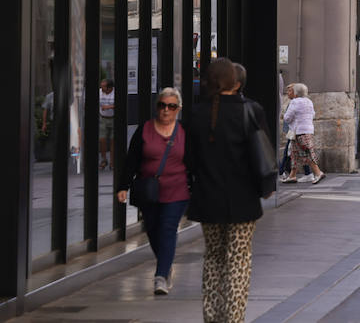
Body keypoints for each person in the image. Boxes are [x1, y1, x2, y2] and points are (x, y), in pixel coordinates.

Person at [185, 57, 273, 323]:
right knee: (238, 260)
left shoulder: (197, 113)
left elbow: (189, 159)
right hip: (242, 200)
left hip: (207, 199)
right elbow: (263, 154)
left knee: (212, 257)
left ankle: (211, 317)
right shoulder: (251, 110)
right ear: (235, 82)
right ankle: (233, 318)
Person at [117, 86, 189, 295]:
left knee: (167, 228)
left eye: (171, 106)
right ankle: (166, 265)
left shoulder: (184, 131)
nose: (166, 110)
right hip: (149, 190)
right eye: (162, 105)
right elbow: (132, 159)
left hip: (177, 190)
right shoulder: (145, 129)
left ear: (178, 109)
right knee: (153, 230)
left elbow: (194, 160)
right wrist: (123, 186)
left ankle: (160, 276)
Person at [282, 83, 325, 184]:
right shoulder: (309, 101)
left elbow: (287, 117)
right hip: (308, 130)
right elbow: (313, 114)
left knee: (306, 153)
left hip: (299, 131)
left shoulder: (294, 102)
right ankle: (292, 176)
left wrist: (287, 118)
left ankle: (318, 173)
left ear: (296, 93)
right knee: (294, 154)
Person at [98, 78, 116, 171]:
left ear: (110, 88)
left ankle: (113, 162)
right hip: (103, 118)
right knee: (102, 139)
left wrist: (109, 106)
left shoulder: (115, 93)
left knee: (113, 141)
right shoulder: (99, 92)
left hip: (113, 119)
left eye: (104, 86)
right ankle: (104, 159)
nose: (101, 88)